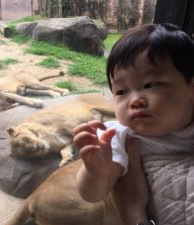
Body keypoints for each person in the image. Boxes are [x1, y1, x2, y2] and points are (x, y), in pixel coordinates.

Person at [73, 23, 194, 225]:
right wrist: (96, 173)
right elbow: (92, 195)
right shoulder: (119, 135)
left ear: (191, 89)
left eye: (151, 84)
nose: (135, 100)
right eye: (121, 91)